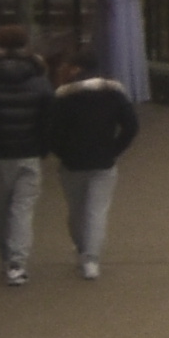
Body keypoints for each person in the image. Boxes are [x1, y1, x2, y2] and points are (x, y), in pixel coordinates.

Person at [0, 23, 59, 286]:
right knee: (22, 209)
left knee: (2, 210)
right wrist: (43, 147)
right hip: (28, 153)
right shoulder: (40, 81)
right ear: (26, 46)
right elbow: (49, 119)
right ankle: (17, 262)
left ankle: (7, 255)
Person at [44, 45, 141, 279]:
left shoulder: (63, 96)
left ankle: (82, 249)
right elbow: (131, 126)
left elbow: (52, 131)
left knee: (77, 210)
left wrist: (61, 152)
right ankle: (91, 259)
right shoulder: (114, 92)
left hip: (72, 162)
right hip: (104, 160)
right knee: (97, 211)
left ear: (76, 68)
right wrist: (114, 149)